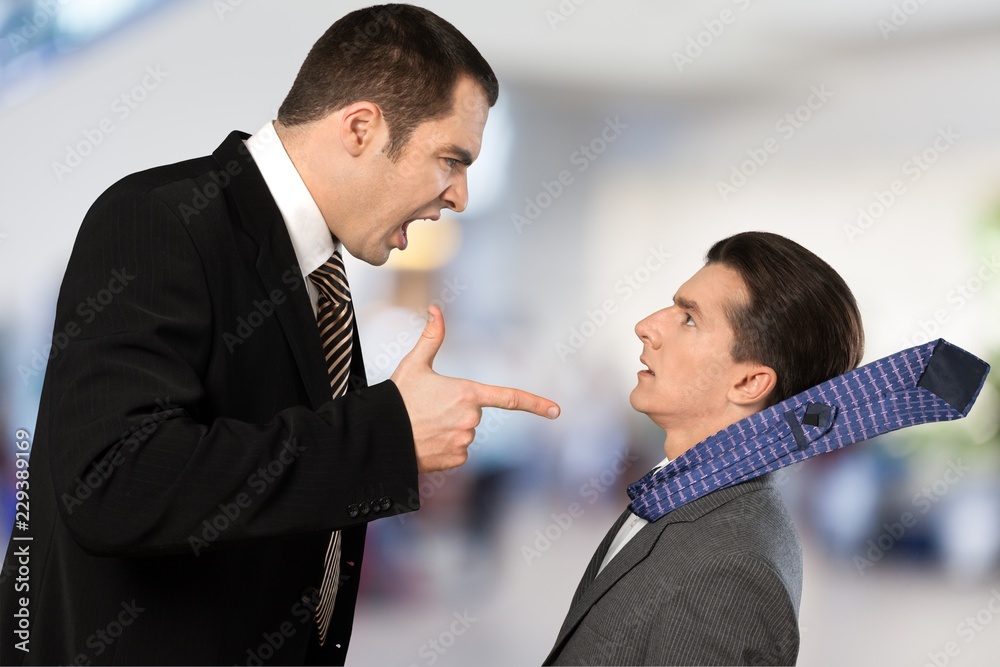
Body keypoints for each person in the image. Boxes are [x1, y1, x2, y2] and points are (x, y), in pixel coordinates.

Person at [0, 5, 560, 666]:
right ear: (361, 127)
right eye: (450, 159)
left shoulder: (319, 270)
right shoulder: (162, 220)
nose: (460, 195)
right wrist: (386, 434)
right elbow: (114, 481)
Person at [544, 231, 865, 666]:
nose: (647, 326)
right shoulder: (681, 495)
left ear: (749, 382)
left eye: (689, 319)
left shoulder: (730, 568)